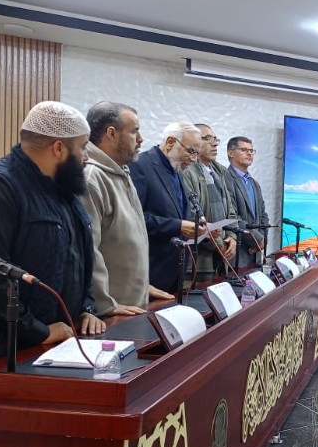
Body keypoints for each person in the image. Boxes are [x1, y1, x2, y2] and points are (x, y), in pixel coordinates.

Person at [0, 101, 106, 375]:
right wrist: (38, 330)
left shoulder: (62, 191)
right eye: (83, 147)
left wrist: (86, 307)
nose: (87, 156)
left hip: (49, 345)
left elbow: (78, 258)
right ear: (58, 148)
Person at [83, 101, 172, 316]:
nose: (141, 139)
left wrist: (142, 285)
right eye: (134, 131)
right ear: (111, 133)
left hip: (131, 303)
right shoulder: (92, 177)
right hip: (110, 311)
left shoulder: (120, 171)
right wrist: (105, 305)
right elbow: (89, 250)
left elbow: (123, 241)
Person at [129, 121, 205, 294]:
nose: (194, 159)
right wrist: (178, 226)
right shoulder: (140, 165)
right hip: (150, 271)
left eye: (197, 154)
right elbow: (134, 218)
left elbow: (176, 212)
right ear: (170, 142)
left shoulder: (177, 169)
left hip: (175, 270)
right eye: (191, 152)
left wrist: (199, 228)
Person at [182, 124, 238, 276]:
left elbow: (231, 211)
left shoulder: (220, 172)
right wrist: (220, 244)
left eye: (215, 139)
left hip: (221, 256)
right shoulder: (187, 172)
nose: (214, 144)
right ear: (193, 142)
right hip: (198, 261)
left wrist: (232, 237)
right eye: (207, 139)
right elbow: (192, 214)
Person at [225, 136, 270, 267]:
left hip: (256, 253)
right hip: (238, 251)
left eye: (251, 150)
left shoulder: (254, 183)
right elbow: (232, 216)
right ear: (230, 153)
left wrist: (263, 240)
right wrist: (257, 240)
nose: (249, 153)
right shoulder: (225, 179)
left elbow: (263, 215)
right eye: (244, 150)